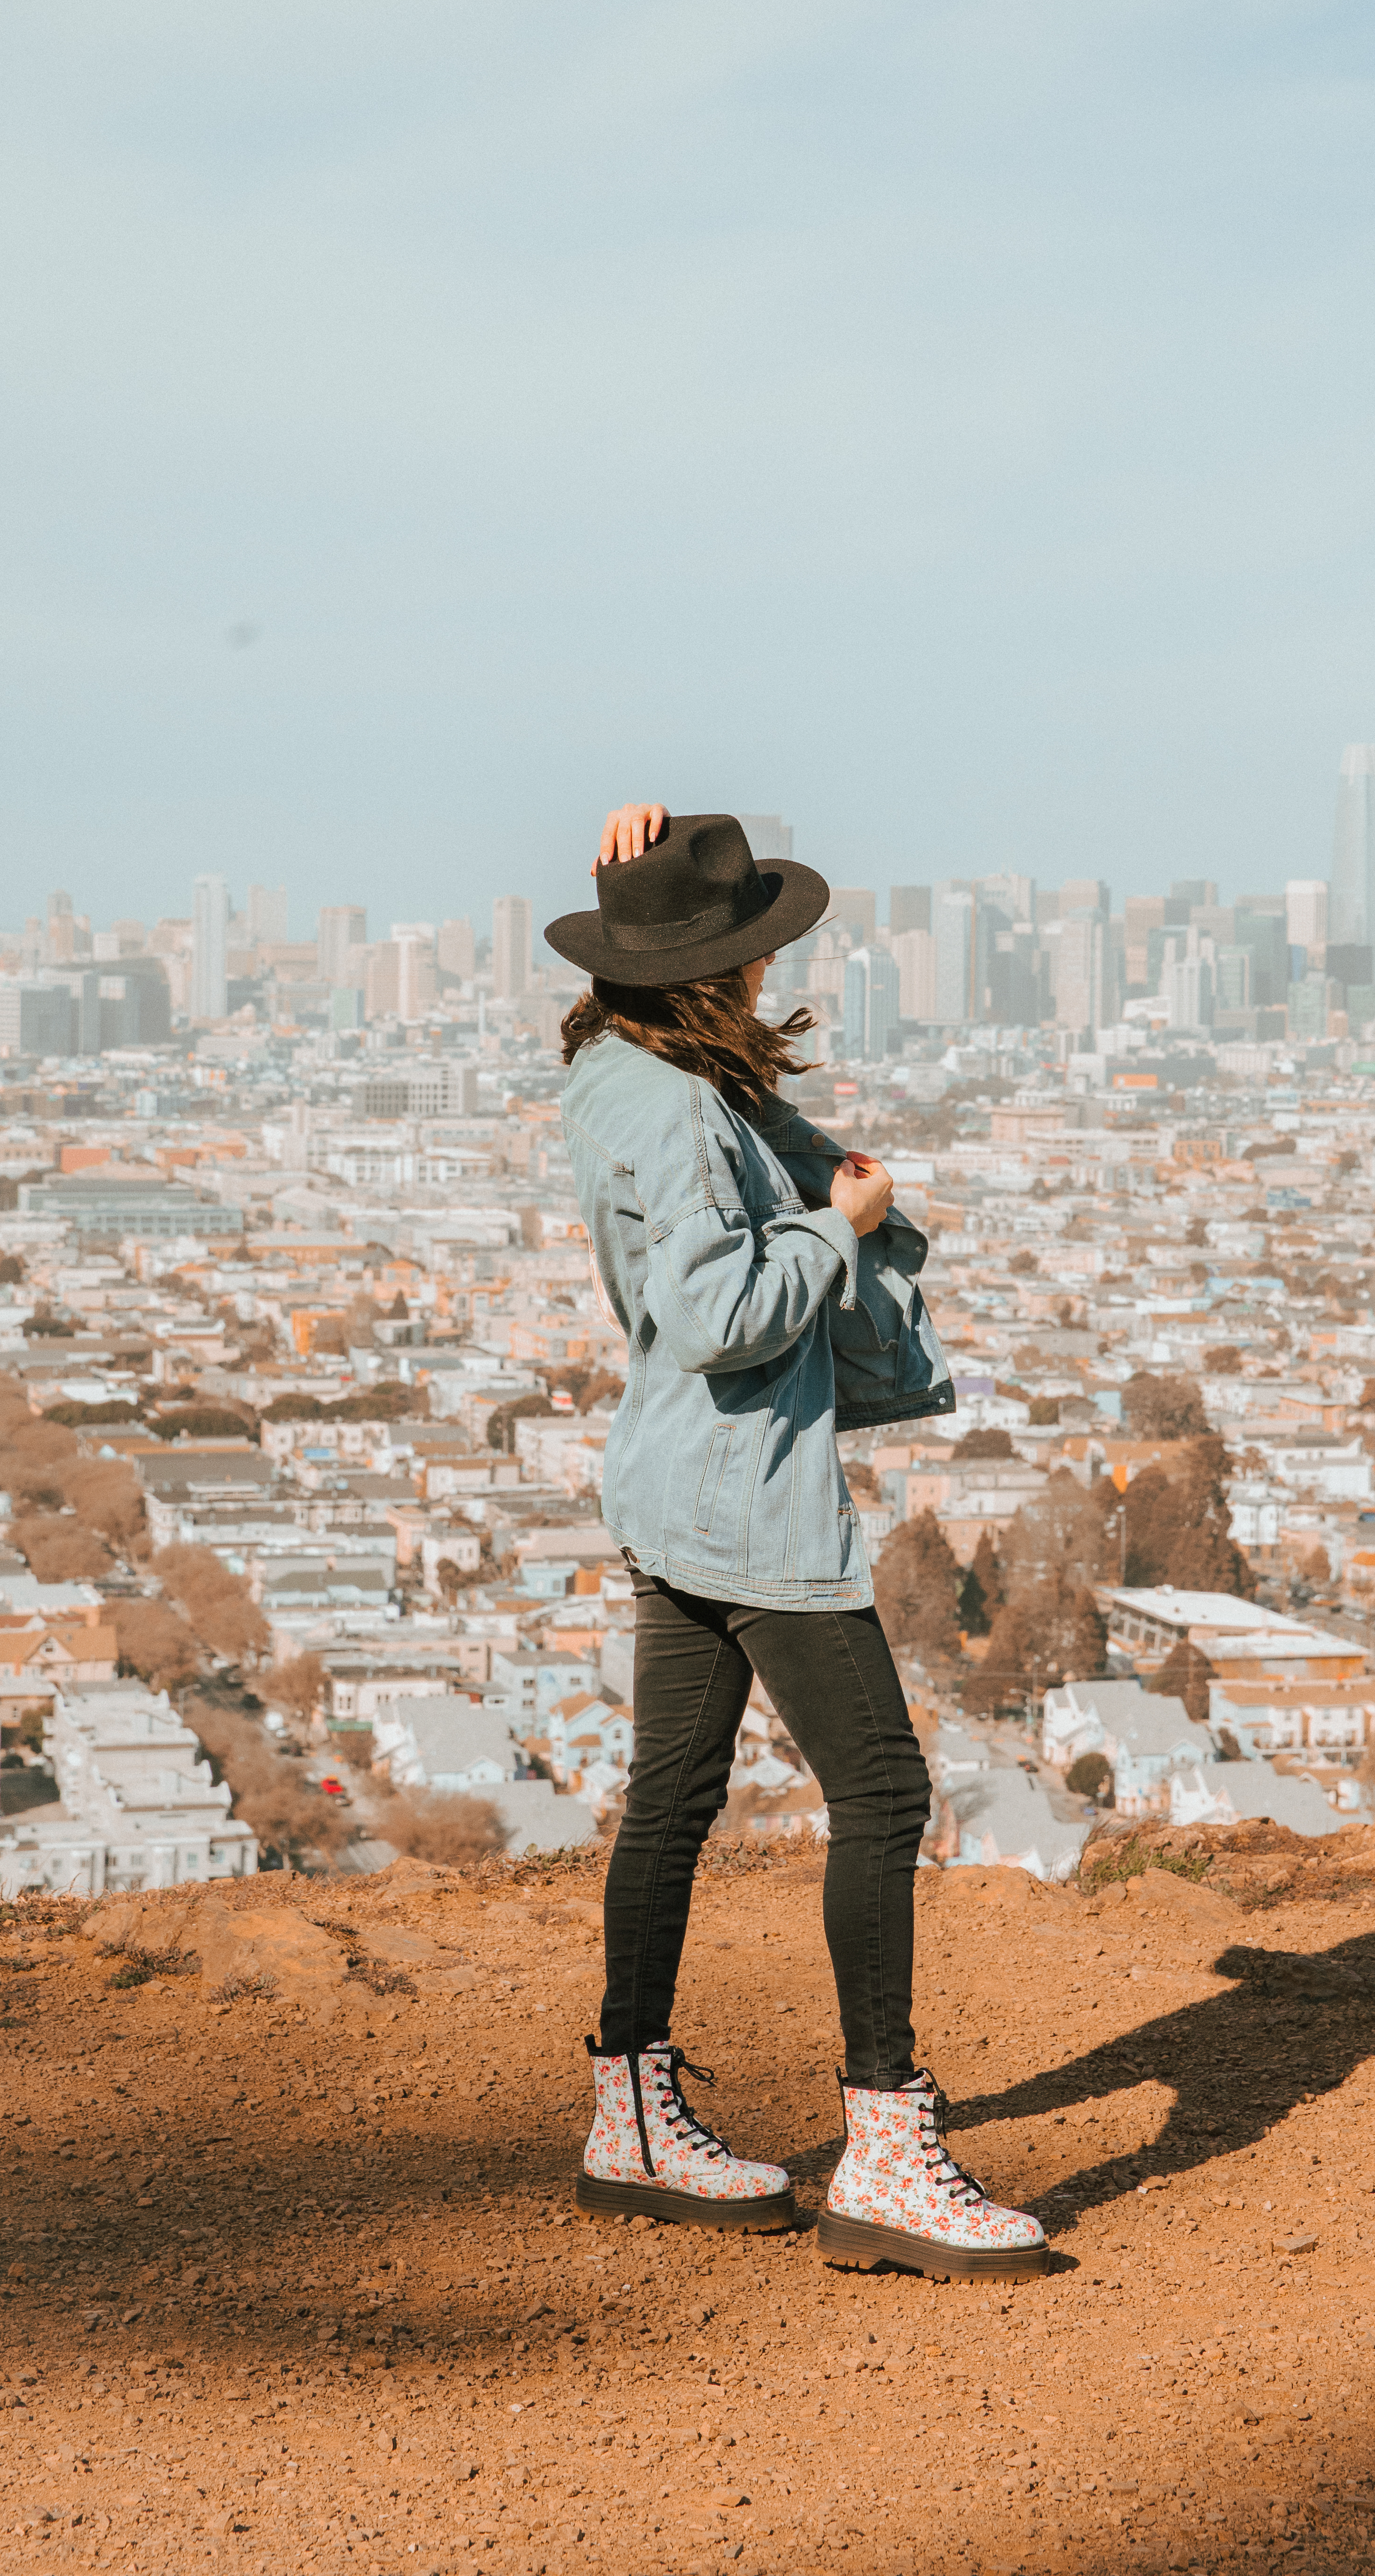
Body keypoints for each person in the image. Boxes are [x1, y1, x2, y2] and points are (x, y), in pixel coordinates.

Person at [547, 803, 1045, 2282]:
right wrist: (840, 1234)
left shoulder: (617, 1067)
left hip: (666, 1484)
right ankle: (887, 2146)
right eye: (752, 952)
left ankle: (628, 2113)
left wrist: (628, 885)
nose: (770, 975)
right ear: (722, 973)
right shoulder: (690, 1109)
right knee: (883, 1792)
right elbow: (716, 1315)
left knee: (675, 1796)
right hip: (744, 1491)